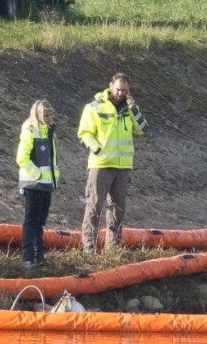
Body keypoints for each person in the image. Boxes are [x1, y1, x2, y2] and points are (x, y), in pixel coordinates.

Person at [77, 72, 147, 252]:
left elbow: (142, 129)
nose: (121, 93)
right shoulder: (94, 107)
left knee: (118, 208)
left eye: (124, 90)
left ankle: (113, 247)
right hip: (101, 165)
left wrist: (134, 109)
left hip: (122, 166)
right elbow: (84, 133)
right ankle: (89, 247)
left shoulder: (129, 109)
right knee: (94, 206)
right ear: (110, 86)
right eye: (118, 89)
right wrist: (97, 149)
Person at [16, 99, 60, 267]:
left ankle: (39, 256)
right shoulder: (30, 130)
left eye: (50, 114)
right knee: (31, 221)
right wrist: (37, 175)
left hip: (46, 185)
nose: (49, 118)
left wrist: (52, 179)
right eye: (46, 115)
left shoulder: (49, 132)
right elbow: (22, 158)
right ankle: (28, 257)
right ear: (38, 114)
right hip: (33, 184)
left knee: (40, 222)